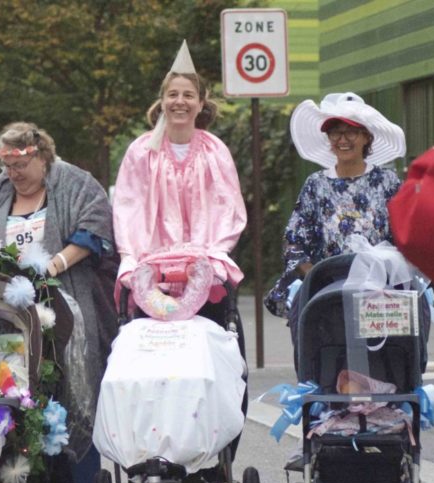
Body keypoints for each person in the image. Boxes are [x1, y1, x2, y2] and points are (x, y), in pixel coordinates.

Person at [0, 121, 117, 483]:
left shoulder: (75, 183)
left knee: (70, 389)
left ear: (42, 158)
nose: (14, 175)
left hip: (67, 305)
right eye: (7, 167)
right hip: (9, 313)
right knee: (17, 388)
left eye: (21, 167)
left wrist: (54, 265)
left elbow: (95, 229)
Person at [112, 41, 248, 459]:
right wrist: (136, 262)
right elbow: (130, 208)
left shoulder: (215, 151)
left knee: (215, 361)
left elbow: (229, 208)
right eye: (173, 94)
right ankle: (151, 444)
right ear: (162, 100)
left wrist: (211, 257)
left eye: (188, 94)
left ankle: (212, 449)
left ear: (201, 102)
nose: (180, 102)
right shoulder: (141, 151)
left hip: (205, 277)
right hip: (153, 277)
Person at [264, 92, 407, 351]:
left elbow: (405, 234)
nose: (342, 139)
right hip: (328, 288)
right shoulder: (316, 184)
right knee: (326, 348)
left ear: (366, 137)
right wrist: (315, 277)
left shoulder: (388, 182)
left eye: (350, 132)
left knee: (389, 353)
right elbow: (295, 239)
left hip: (380, 289)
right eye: (334, 133)